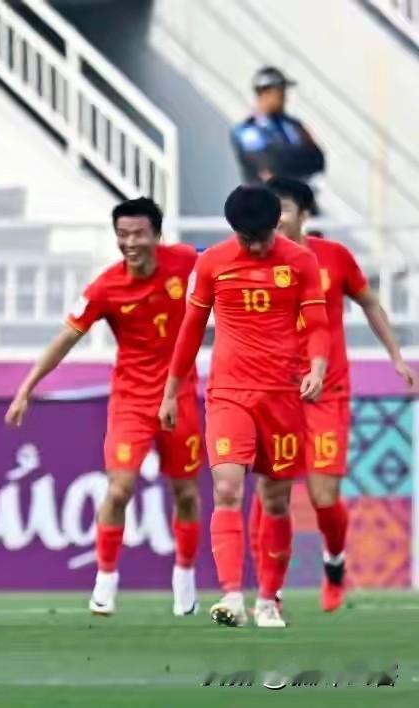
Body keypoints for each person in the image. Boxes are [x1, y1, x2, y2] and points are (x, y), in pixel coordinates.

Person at [5, 198, 203, 617]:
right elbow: (65, 338)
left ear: (157, 235)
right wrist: (27, 387)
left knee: (186, 492)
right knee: (119, 489)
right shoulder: (106, 287)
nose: (130, 243)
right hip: (131, 400)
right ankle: (105, 579)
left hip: (180, 395)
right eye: (123, 235)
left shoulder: (185, 261)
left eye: (139, 234)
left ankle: (185, 576)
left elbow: (228, 266)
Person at [160, 185, 329, 629]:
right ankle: (232, 597)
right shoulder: (213, 262)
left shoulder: (300, 261)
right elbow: (190, 329)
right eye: (246, 239)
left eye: (261, 238)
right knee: (227, 489)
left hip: (283, 395)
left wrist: (317, 367)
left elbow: (317, 324)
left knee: (275, 500)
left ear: (277, 226)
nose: (254, 248)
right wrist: (170, 391)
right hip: (229, 393)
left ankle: (268, 600)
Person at [254, 177, 417, 612]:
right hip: (277, 393)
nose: (275, 218)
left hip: (327, 392)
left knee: (324, 497)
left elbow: (370, 302)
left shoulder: (334, 258)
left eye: (284, 208)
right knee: (272, 495)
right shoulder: (256, 259)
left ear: (304, 214)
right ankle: (270, 591)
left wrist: (396, 357)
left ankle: (334, 561)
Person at [232, 67, 325, 196]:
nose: (284, 98)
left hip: (298, 200)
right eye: (279, 93)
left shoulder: (294, 125)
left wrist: (288, 162)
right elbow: (272, 164)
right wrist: (298, 160)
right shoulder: (247, 131)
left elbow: (318, 159)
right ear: (264, 93)